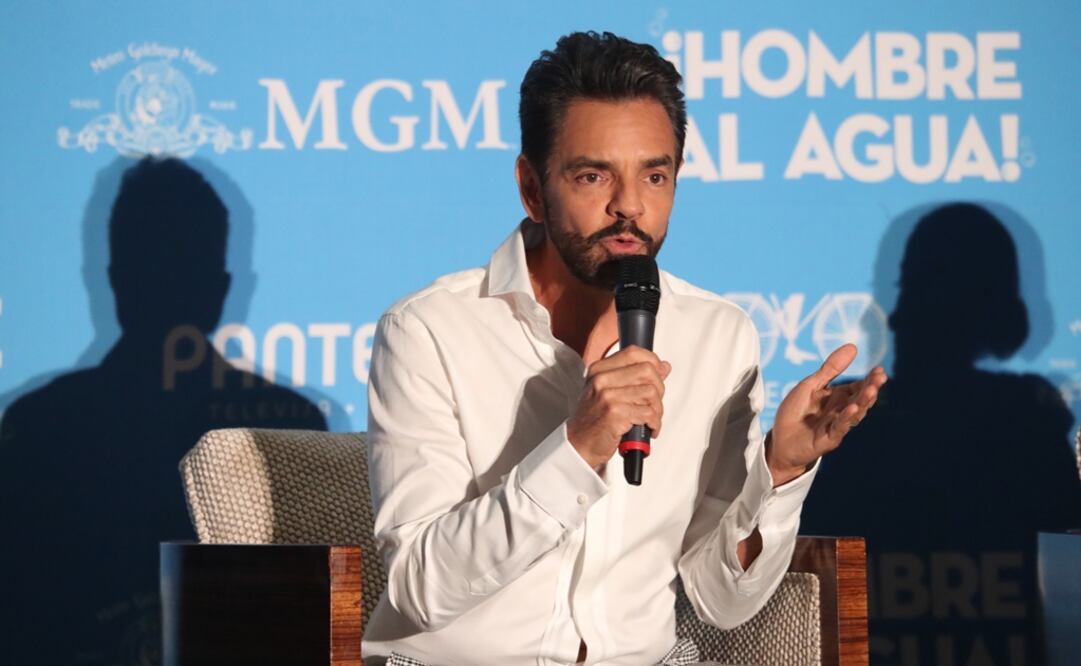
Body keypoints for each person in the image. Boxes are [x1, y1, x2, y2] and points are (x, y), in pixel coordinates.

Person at [362, 31, 887, 666]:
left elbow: (724, 602)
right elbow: (419, 589)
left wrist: (779, 470)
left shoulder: (719, 336)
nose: (630, 207)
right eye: (593, 176)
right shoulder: (428, 331)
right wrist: (576, 447)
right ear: (532, 187)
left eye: (655, 175)